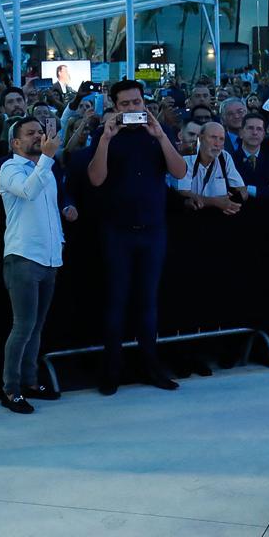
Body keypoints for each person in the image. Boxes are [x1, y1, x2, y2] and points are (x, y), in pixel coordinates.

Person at [87, 79, 187, 394]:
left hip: (153, 230)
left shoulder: (158, 134)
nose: (133, 109)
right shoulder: (104, 136)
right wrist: (105, 138)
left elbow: (180, 171)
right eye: (126, 104)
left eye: (137, 102)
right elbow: (96, 178)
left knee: (148, 301)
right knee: (116, 301)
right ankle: (111, 369)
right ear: (115, 107)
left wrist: (160, 135)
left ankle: (151, 366)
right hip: (117, 231)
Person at [0, 117, 65, 414]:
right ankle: (10, 389)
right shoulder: (9, 168)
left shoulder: (46, 168)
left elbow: (50, 209)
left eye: (40, 131)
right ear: (15, 142)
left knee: (37, 326)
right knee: (22, 326)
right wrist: (47, 158)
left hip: (49, 257)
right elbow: (27, 191)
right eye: (31, 133)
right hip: (23, 256)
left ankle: (30, 381)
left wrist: (59, 241)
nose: (38, 136)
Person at [175, 122, 247, 213]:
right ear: (200, 138)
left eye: (221, 139)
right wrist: (216, 202)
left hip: (219, 215)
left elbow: (242, 189)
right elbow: (183, 193)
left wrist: (232, 202)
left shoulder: (224, 157)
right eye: (213, 137)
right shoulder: (186, 158)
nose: (217, 144)